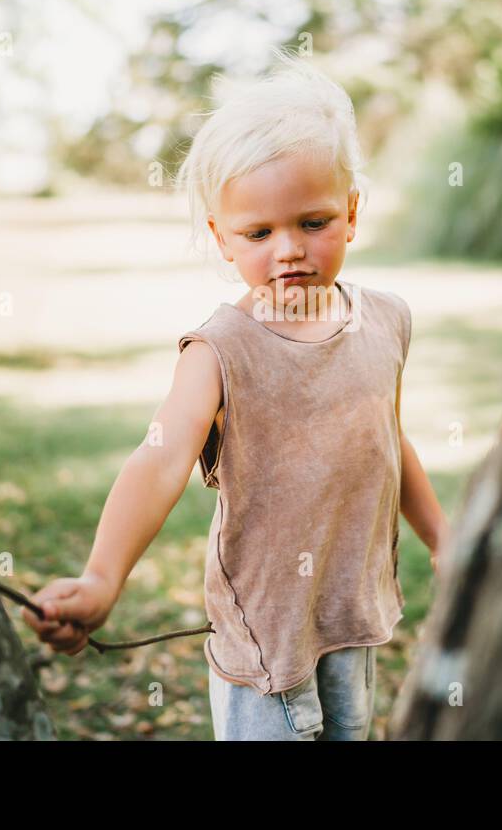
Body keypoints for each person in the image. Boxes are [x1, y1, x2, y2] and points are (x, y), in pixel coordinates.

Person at [23, 49, 449, 740]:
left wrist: (443, 536)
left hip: (351, 614)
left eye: (313, 222)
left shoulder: (386, 321)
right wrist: (102, 578)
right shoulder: (220, 351)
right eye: (259, 233)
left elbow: (387, 437)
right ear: (223, 238)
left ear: (351, 213)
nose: (288, 249)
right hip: (263, 637)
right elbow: (159, 462)